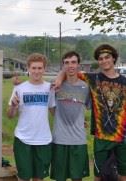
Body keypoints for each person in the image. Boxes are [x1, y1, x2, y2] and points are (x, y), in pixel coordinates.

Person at [54, 44, 126, 181]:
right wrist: (58, 79)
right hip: (101, 136)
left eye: (107, 57)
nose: (104, 61)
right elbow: (69, 70)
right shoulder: (92, 79)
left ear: (114, 59)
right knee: (98, 176)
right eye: (100, 58)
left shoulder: (124, 81)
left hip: (122, 136)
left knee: (123, 174)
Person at [7, 53, 55, 181]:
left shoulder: (49, 88)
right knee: (24, 178)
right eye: (34, 68)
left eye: (40, 68)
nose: (37, 71)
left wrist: (74, 121)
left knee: (38, 178)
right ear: (28, 68)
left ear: (44, 69)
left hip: (43, 139)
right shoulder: (19, 88)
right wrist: (12, 106)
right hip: (23, 139)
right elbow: (10, 116)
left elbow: (53, 111)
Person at [50, 51, 90, 181]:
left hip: (78, 140)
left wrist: (81, 120)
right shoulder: (56, 85)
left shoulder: (85, 87)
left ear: (79, 64)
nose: (70, 65)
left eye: (73, 62)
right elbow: (51, 109)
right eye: (66, 63)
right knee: (60, 178)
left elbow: (89, 108)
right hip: (59, 139)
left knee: (77, 178)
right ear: (63, 66)